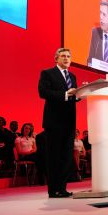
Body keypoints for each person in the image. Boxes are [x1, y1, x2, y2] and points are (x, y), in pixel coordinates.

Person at [38, 48, 78, 198]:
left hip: (69, 122)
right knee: (54, 156)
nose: (66, 58)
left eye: (69, 56)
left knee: (66, 157)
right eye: (63, 56)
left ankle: (62, 188)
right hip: (54, 122)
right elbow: (43, 92)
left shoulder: (72, 76)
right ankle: (53, 190)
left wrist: (80, 94)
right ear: (56, 59)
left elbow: (73, 97)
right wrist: (65, 94)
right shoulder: (47, 73)